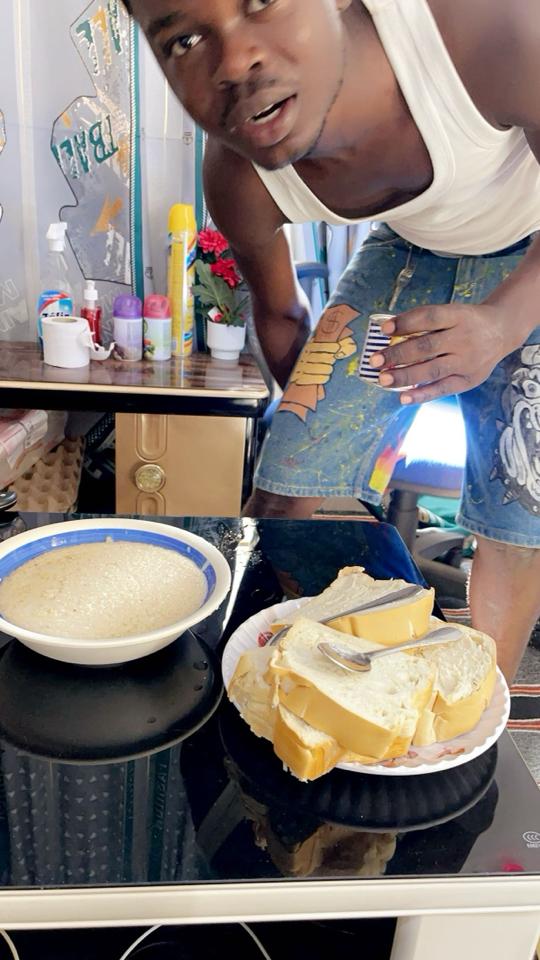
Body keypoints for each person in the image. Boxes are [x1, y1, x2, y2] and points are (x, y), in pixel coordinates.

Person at [125, 0, 540, 682]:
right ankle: (259, 672)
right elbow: (280, 317)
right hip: (410, 247)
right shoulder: (238, 178)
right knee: (283, 484)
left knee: (520, 515)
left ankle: (474, 704)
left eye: (262, 1)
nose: (236, 62)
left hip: (533, 253)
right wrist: (322, 423)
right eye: (184, 40)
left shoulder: (485, 26)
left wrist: (501, 324)